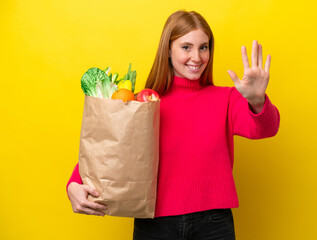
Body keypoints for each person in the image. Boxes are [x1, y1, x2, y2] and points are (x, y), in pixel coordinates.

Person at [67, 10, 280, 240]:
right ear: (168, 50)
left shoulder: (227, 98)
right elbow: (109, 149)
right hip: (155, 224)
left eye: (203, 47)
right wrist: (74, 184)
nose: (197, 57)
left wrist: (257, 101)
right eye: (186, 47)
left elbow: (265, 128)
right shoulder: (144, 102)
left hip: (214, 223)